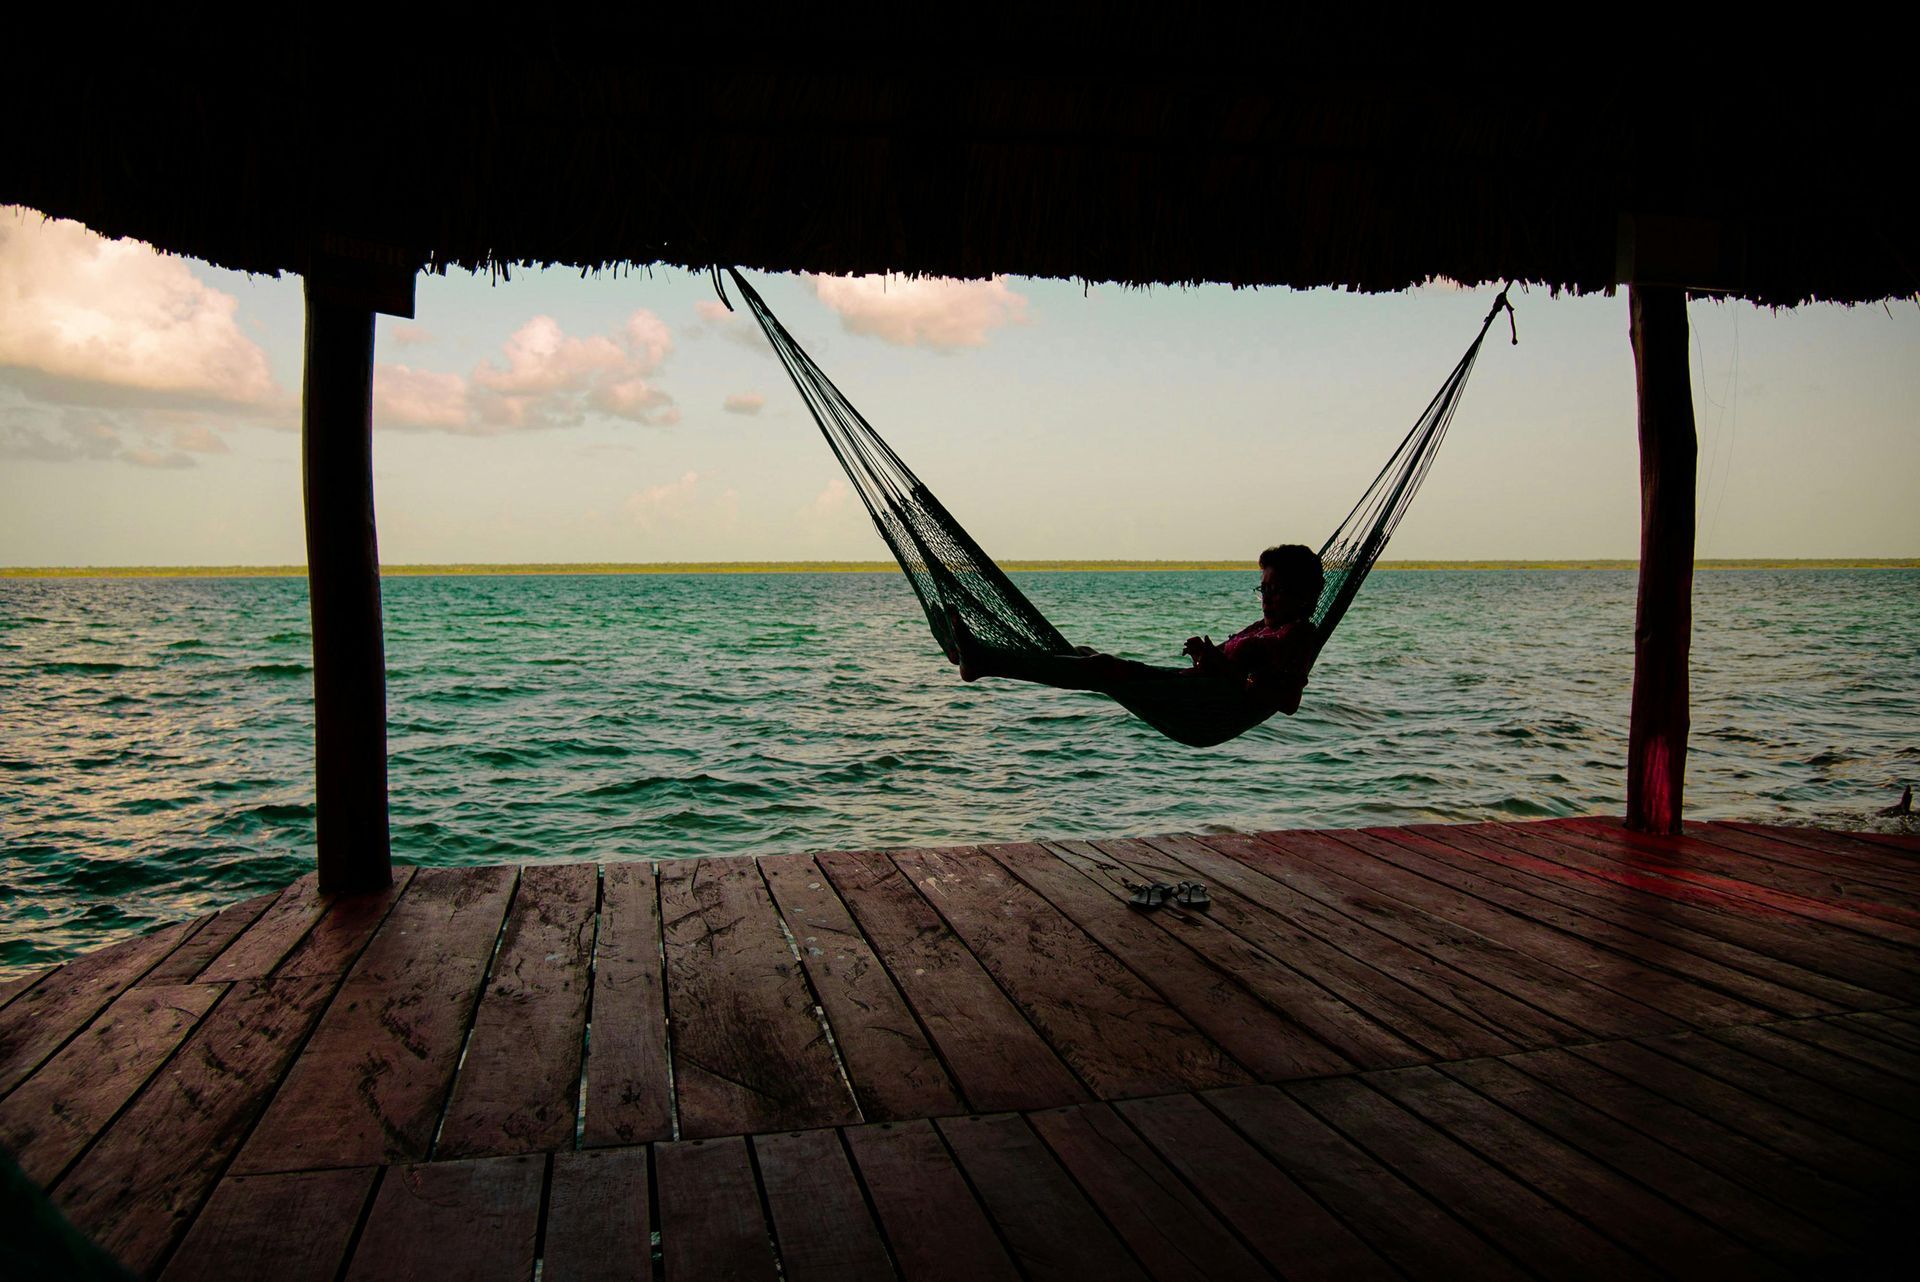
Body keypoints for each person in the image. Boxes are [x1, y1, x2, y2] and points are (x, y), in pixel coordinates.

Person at [951, 544, 1324, 716]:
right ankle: (985, 660)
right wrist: (1206, 658)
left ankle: (984, 661)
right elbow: (1234, 671)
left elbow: (1286, 701)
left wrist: (1218, 665)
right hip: (1186, 692)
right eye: (1264, 589)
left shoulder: (1297, 635)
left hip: (1197, 707)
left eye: (1277, 590)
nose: (1267, 598)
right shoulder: (1264, 626)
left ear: (1304, 594)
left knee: (1100, 666)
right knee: (1083, 654)